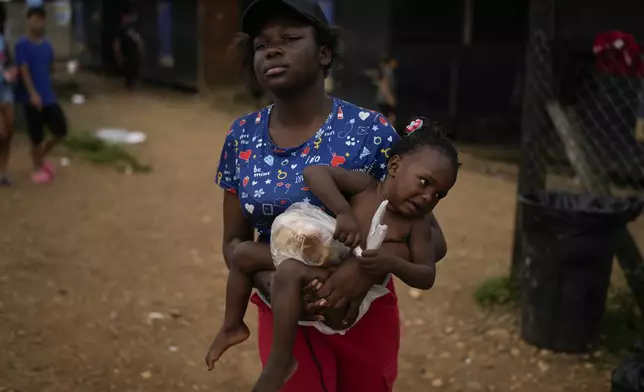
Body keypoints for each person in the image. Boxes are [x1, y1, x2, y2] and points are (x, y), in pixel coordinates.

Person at [205, 1, 449, 391]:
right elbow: (234, 242)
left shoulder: (370, 131)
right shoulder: (241, 137)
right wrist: (271, 284)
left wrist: (360, 271)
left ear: (324, 53)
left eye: (288, 38)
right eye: (261, 44)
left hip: (361, 315)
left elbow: (431, 240)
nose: (271, 50)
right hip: (284, 315)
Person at [208, 117, 458, 392]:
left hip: (345, 296)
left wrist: (391, 262)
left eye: (439, 195)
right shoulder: (365, 187)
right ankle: (232, 325)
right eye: (424, 182)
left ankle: (280, 361)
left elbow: (426, 276)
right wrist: (343, 212)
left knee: (289, 272)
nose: (428, 197)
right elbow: (315, 173)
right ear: (395, 166)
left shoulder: (417, 225)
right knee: (243, 254)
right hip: (325, 258)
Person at [15, 6, 68, 184]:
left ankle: (39, 159)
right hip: (32, 98)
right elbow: (24, 71)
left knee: (61, 130)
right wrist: (32, 94)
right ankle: (37, 168)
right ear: (28, 21)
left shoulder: (47, 46)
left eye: (39, 19)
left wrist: (65, 68)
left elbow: (51, 68)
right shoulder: (22, 45)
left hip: (48, 96)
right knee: (36, 137)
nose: (36, 22)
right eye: (33, 19)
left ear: (44, 22)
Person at [0, 31, 17, 186]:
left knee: (9, 131)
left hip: (5, 91)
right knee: (1, 132)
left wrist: (11, 72)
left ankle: (3, 172)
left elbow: (11, 64)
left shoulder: (3, 41)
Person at [113, 10, 144, 89]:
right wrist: (118, 55)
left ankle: (131, 87)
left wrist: (140, 52)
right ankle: (129, 87)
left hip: (133, 55)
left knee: (132, 74)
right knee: (128, 75)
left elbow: (139, 42)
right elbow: (117, 43)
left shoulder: (135, 30)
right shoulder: (121, 31)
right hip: (126, 55)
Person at [375, 55, 398, 128]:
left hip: (382, 99)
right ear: (391, 62)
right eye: (394, 62)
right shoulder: (388, 71)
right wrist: (390, 98)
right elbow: (384, 85)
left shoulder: (385, 70)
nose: (396, 64)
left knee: (386, 118)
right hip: (385, 99)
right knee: (391, 118)